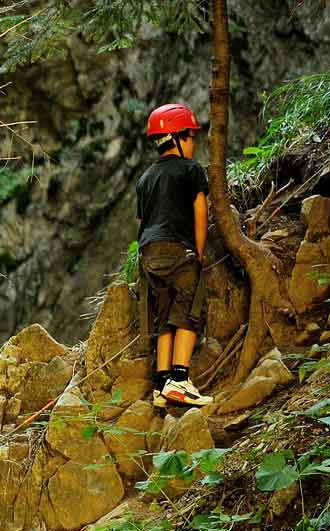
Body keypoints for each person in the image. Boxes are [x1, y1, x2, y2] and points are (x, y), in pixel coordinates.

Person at [137, 102, 213, 409]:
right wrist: (199, 251)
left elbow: (142, 223)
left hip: (149, 254)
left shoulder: (144, 179)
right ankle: (180, 380)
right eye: (191, 137)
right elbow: (199, 210)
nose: (194, 143)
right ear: (177, 138)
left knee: (164, 315)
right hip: (177, 249)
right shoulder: (190, 170)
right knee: (190, 309)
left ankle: (161, 384)